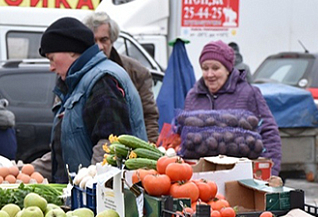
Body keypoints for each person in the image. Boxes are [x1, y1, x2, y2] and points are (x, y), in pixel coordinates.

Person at [37, 17, 147, 183]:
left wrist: (91, 187)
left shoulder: (102, 80)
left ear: (72, 50)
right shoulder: (78, 83)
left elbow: (111, 142)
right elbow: (67, 148)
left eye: (52, 58)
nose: (51, 67)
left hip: (99, 200)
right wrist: (27, 172)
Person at [184, 40, 282, 174]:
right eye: (205, 68)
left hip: (239, 175)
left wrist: (271, 172)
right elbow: (184, 135)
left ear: (228, 69)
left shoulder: (248, 93)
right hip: (201, 177)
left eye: (215, 68)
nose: (209, 74)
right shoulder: (193, 96)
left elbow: (269, 132)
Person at [83, 12, 160, 142]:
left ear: (112, 39)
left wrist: (149, 150)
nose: (99, 47)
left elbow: (149, 116)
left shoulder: (137, 72)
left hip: (130, 151)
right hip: (90, 151)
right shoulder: (77, 72)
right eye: (93, 41)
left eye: (104, 40)